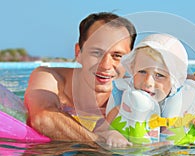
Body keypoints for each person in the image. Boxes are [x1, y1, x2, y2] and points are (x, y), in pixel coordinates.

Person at [24, 12, 137, 143]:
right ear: (79, 53)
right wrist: (100, 143)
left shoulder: (134, 92)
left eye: (117, 55)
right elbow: (42, 117)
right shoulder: (51, 78)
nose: (105, 65)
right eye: (96, 53)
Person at [94, 33, 195, 147]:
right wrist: (111, 134)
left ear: (175, 81)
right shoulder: (123, 107)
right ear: (132, 70)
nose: (148, 82)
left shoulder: (183, 112)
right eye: (142, 72)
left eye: (159, 75)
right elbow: (98, 132)